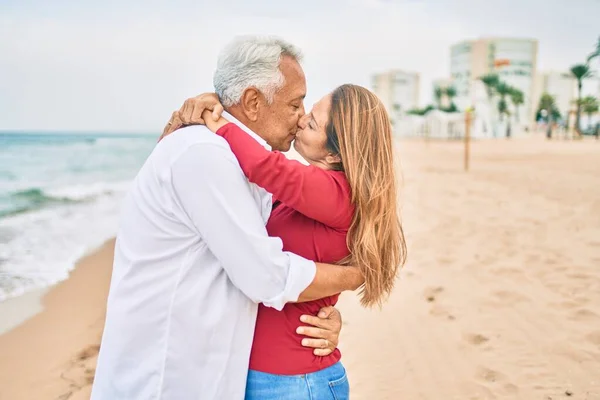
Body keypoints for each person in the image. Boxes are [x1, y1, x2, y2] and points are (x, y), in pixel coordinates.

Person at [91, 36, 364, 400]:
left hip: (211, 372)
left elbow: (294, 240)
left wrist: (323, 311)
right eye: (295, 104)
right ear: (253, 102)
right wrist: (355, 275)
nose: (301, 119)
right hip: (166, 377)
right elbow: (265, 276)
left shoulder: (238, 160)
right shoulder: (204, 155)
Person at [162, 83, 407, 399]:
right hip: (270, 377)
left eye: (313, 123)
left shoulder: (337, 194)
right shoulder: (310, 197)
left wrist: (220, 120)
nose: (302, 119)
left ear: (334, 151)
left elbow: (265, 166)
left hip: (296, 382)